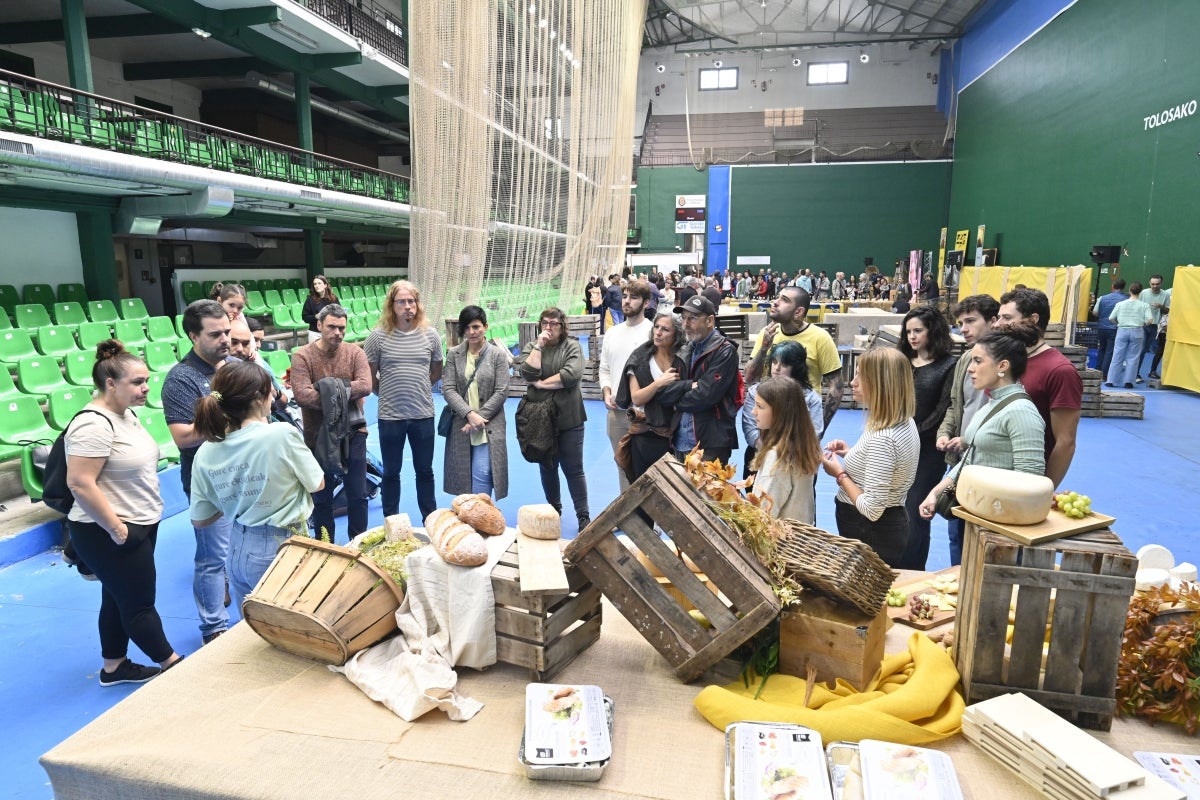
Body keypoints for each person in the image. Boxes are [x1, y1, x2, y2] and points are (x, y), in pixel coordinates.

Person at [66, 340, 184, 685]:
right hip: (110, 530)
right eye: (137, 382)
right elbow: (80, 483)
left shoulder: (125, 414)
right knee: (139, 604)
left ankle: (113, 667)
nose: (146, 388)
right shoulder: (94, 425)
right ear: (111, 384)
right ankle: (174, 665)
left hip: (138, 521)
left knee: (116, 596)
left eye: (146, 380)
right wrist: (117, 529)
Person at [188, 361, 324, 609]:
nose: (274, 394)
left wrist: (237, 498)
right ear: (258, 397)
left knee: (253, 627)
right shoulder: (280, 434)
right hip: (281, 546)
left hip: (236, 549)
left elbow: (201, 519)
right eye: (271, 390)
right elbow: (317, 483)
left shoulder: (206, 451)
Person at [919, 324, 1047, 520]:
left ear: (1002, 366)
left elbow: (1030, 479)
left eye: (978, 361)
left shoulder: (1021, 412)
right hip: (981, 512)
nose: (970, 368)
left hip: (1000, 520)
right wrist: (935, 493)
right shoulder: (992, 404)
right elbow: (970, 460)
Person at [162, 299, 234, 645]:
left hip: (243, 475)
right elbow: (183, 437)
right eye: (215, 334)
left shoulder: (232, 367)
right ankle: (213, 628)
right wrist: (233, 423)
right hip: (207, 483)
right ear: (193, 336)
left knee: (244, 548)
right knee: (212, 558)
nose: (225, 340)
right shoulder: (181, 379)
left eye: (227, 332)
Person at [819, 348, 919, 568]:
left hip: (870, 532)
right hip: (882, 529)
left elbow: (872, 509)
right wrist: (852, 453)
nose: (852, 382)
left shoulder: (884, 438)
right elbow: (887, 464)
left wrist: (839, 474)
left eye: (860, 376)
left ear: (880, 384)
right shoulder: (900, 420)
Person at [290, 304, 372, 543]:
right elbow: (302, 395)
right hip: (318, 437)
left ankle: (359, 546)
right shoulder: (302, 356)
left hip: (354, 433)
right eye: (332, 327)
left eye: (342, 328)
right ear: (319, 325)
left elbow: (366, 386)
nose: (338, 332)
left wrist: (325, 388)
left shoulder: (355, 353)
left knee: (358, 494)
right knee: (322, 497)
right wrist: (345, 389)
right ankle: (326, 547)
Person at [363, 281, 443, 522]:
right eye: (402, 302)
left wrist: (417, 389)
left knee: (425, 471)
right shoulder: (377, 337)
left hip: (423, 415)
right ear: (392, 305)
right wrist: (390, 393)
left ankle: (431, 521)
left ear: (417, 304)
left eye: (411, 301)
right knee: (391, 473)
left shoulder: (431, 335)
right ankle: (391, 522)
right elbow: (370, 377)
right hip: (390, 417)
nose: (407, 306)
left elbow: (436, 372)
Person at [935, 294, 1000, 565]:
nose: (963, 329)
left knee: (986, 540)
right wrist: (945, 433)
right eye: (961, 323)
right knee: (956, 533)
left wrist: (969, 439)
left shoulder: (1009, 364)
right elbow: (955, 404)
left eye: (971, 321)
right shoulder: (964, 360)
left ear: (993, 321)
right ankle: (958, 581)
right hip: (961, 463)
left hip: (991, 467)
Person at [995, 288, 1082, 487]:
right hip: (991, 472)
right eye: (999, 317)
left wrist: (1043, 489)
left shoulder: (1060, 371)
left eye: (1007, 318)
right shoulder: (1006, 361)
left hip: (1025, 479)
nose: (998, 324)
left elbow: (1065, 442)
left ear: (1033, 319)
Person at [518, 307, 590, 529]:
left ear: (562, 326)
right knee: (547, 466)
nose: (548, 327)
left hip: (569, 420)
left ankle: (583, 516)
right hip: (540, 421)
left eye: (553, 323)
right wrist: (539, 346)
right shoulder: (532, 347)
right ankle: (553, 511)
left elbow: (571, 375)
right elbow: (527, 373)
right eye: (545, 323)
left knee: (573, 469)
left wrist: (540, 384)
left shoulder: (572, 346)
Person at [897, 305, 957, 570]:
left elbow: (943, 408)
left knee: (915, 511)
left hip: (928, 450)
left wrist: (912, 434)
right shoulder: (901, 360)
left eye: (918, 331)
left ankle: (913, 570)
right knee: (895, 510)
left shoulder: (949, 365)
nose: (912, 336)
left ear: (933, 331)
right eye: (908, 331)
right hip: (896, 444)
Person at [743, 286, 845, 430]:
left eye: (784, 300)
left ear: (798, 312)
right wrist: (764, 348)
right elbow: (749, 378)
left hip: (801, 422)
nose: (775, 302)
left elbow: (837, 386)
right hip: (768, 422)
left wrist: (819, 428)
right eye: (777, 297)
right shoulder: (767, 333)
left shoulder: (821, 338)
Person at [442, 305, 510, 499]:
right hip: (461, 425)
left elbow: (502, 391)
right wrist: (469, 415)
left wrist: (479, 417)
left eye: (476, 327)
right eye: (467, 328)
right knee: (462, 476)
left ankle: (482, 514)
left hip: (489, 424)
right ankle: (467, 515)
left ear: (485, 327)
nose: (471, 332)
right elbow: (448, 389)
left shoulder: (497, 355)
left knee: (483, 473)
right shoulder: (454, 354)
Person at [669, 295, 741, 466]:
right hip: (680, 439)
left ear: (709, 321)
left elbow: (705, 395)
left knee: (707, 485)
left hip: (710, 443)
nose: (686, 324)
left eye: (692, 318)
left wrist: (673, 401)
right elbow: (666, 388)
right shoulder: (685, 349)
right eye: (683, 318)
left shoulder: (725, 351)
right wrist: (685, 387)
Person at [616, 310, 686, 482]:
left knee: (671, 489)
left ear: (676, 335)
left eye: (665, 329)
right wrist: (659, 383)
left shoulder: (681, 361)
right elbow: (637, 397)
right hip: (643, 436)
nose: (658, 332)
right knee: (643, 487)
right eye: (656, 327)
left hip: (671, 437)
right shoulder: (640, 359)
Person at [740, 341, 824, 479]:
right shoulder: (756, 391)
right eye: (774, 362)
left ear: (796, 368)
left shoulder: (811, 398)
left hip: (797, 461)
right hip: (759, 457)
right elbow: (750, 428)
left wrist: (786, 456)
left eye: (784, 364)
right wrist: (770, 454)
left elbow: (814, 433)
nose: (777, 368)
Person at [600, 279, 653, 492]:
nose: (627, 301)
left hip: (645, 414)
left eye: (634, 297)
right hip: (616, 414)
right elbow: (604, 369)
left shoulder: (653, 333)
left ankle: (648, 513)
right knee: (622, 467)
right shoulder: (612, 333)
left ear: (646, 303)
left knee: (646, 470)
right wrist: (606, 392)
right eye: (624, 296)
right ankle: (628, 512)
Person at [749, 376, 822, 524]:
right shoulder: (800, 448)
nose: (753, 412)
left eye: (760, 406)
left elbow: (763, 515)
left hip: (778, 537)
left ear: (780, 413)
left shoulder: (777, 457)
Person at [1107, 281, 1153, 389]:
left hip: (1122, 330)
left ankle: (1111, 380)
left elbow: (1111, 318)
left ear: (1129, 290)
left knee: (1117, 355)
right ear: (1140, 292)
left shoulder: (1120, 304)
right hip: (1137, 331)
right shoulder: (1144, 305)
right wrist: (1142, 324)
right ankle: (1129, 382)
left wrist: (1119, 324)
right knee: (1133, 357)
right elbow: (1150, 320)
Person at [1092, 278, 1127, 383]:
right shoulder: (1125, 299)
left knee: (1101, 349)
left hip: (1101, 327)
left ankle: (1097, 370)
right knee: (1109, 351)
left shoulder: (1102, 298)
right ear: (1123, 287)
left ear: (1112, 286)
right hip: (1114, 328)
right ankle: (1104, 374)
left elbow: (1095, 313)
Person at [1138, 275, 1170, 381]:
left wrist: (1161, 306)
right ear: (1149, 283)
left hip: (1155, 326)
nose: (1155, 286)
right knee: (1141, 350)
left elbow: (1167, 311)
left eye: (1157, 284)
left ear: (1161, 283)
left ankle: (1151, 371)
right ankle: (1136, 374)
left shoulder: (1165, 294)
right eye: (1152, 284)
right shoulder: (1143, 293)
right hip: (1143, 325)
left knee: (1146, 349)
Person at [301, 275, 339, 344]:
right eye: (315, 284)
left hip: (331, 332)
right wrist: (315, 316)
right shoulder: (310, 300)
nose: (317, 286)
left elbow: (339, 313)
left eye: (319, 283)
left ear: (325, 285)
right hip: (315, 333)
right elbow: (305, 317)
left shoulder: (333, 299)